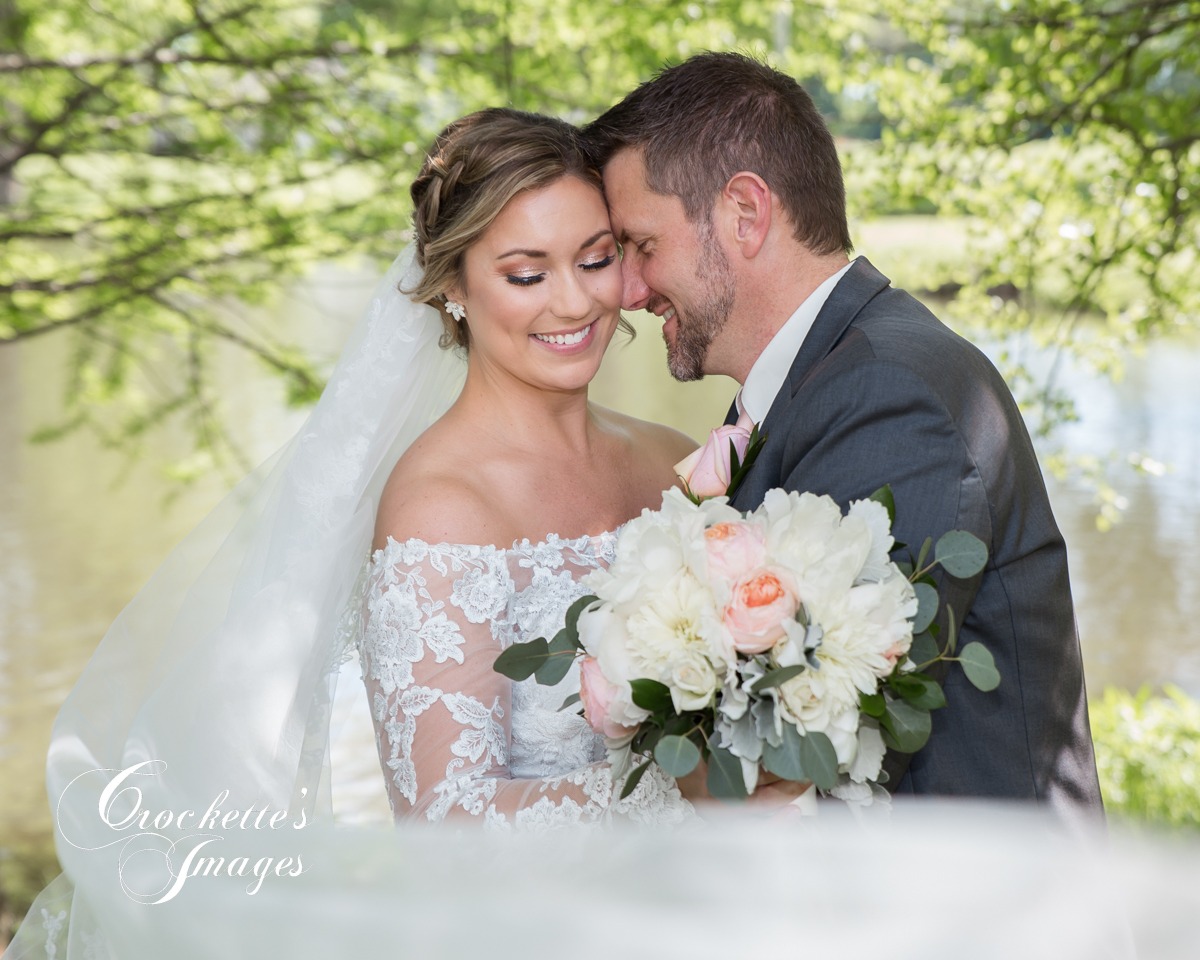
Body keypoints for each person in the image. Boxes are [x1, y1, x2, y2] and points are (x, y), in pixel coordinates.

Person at [584, 52, 1103, 815]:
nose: (627, 291)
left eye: (642, 245)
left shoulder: (890, 395)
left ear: (746, 214)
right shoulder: (817, 380)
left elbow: (809, 751)